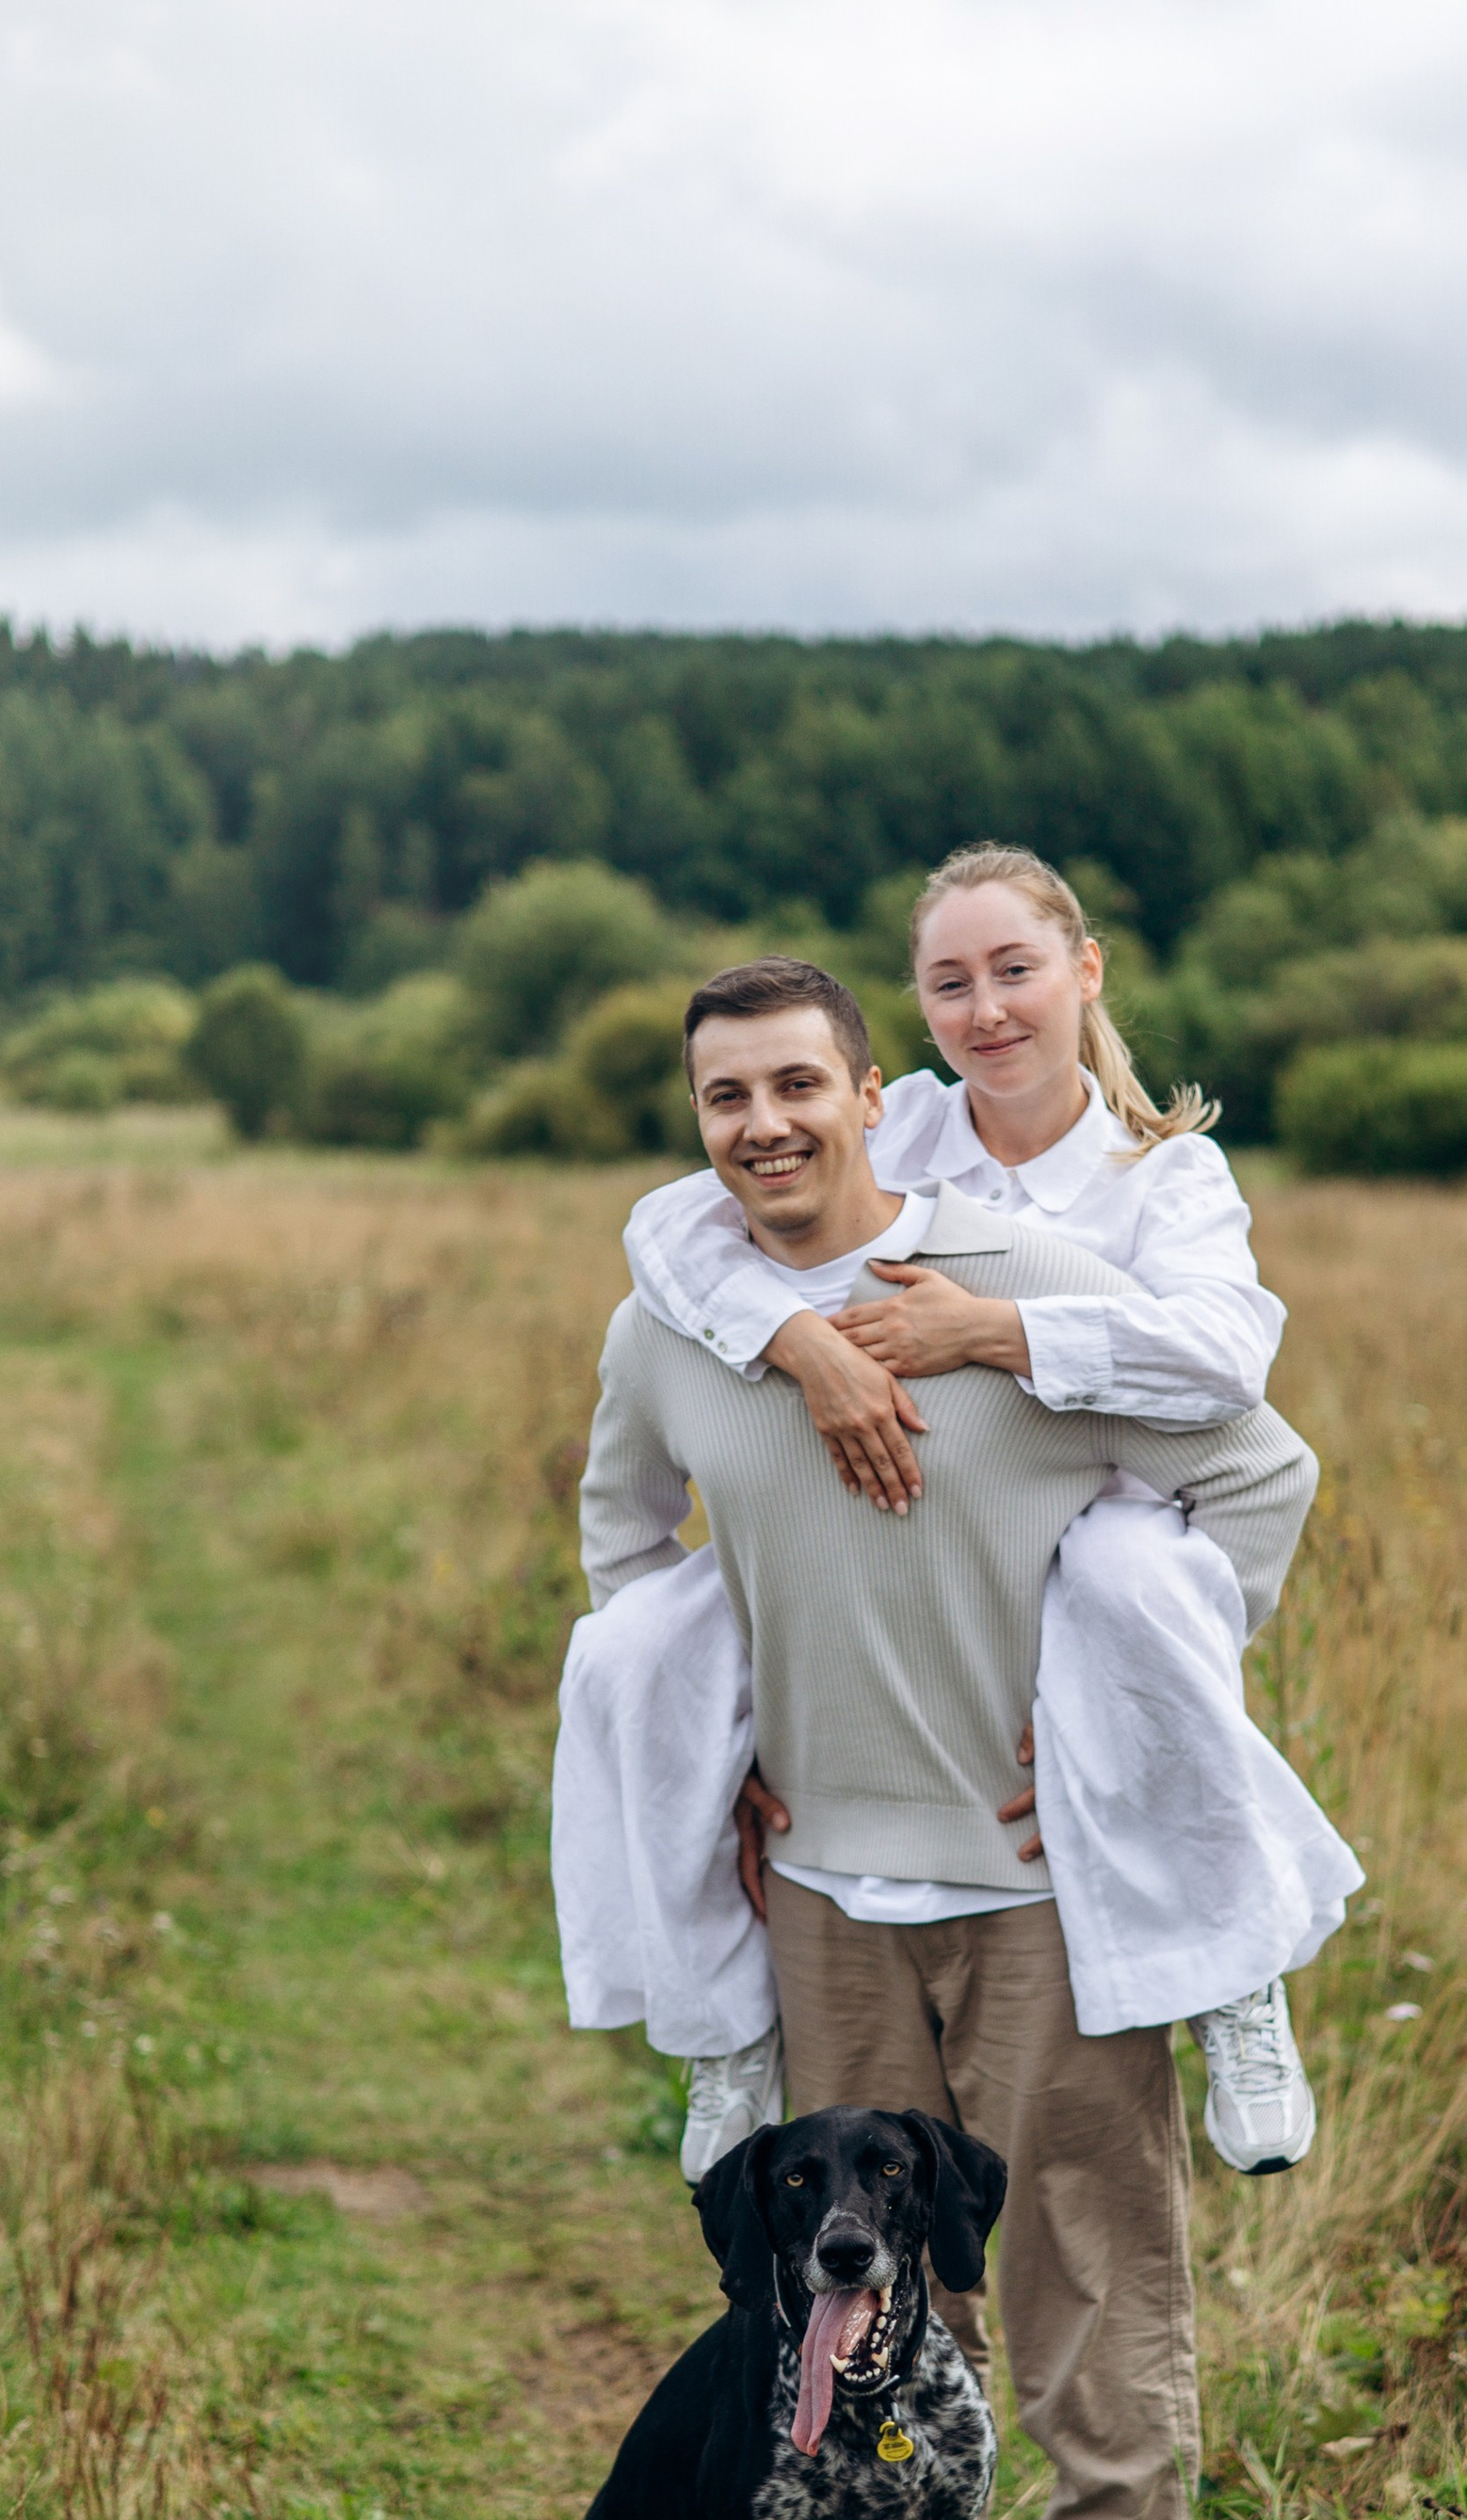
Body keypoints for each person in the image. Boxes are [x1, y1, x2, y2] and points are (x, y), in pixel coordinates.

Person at [571, 954, 1320, 2520]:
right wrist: (706, 1737)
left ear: (867, 1090)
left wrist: (1144, 1716)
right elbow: (623, 1542)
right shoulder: (674, 1329)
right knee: (865, 2297)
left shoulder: (1013, 1278)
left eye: (795, 1086)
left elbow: (1261, 1468)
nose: (764, 1125)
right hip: (822, 1898)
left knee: (1080, 2261)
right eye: (725, 1097)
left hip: (1037, 1886)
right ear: (698, 1122)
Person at [555, 843, 1360, 2187]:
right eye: (948, 982)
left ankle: (1236, 1965)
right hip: (875, 1562)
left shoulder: (1164, 1179)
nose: (985, 1010)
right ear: (913, 1018)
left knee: (1129, 1588)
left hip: (1093, 1518)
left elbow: (1229, 1376)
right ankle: (718, 2024)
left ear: (1086, 970)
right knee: (636, 1652)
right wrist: (801, 1346)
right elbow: (676, 1232)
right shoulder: (905, 1125)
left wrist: (996, 1328)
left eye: (1015, 970)